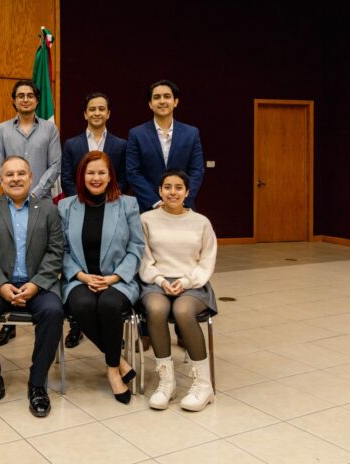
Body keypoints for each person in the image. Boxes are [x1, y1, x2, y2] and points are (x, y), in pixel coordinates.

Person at [0, 156, 64, 418]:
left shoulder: (48, 209)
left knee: (54, 311)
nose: (15, 179)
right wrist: (0, 285)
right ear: (0, 180)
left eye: (21, 173)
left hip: (38, 284)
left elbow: (56, 251)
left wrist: (36, 284)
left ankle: (37, 384)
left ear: (31, 177)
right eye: (9, 174)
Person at [59, 151, 144, 404]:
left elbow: (137, 247)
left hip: (118, 279)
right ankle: (120, 361)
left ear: (110, 177)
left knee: (108, 304)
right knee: (82, 305)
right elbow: (61, 249)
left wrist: (114, 278)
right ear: (81, 176)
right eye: (90, 173)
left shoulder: (128, 204)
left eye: (101, 172)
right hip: (79, 277)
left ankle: (112, 370)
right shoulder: (66, 206)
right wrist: (82, 277)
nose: (95, 178)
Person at [139, 170, 218, 412]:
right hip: (156, 281)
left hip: (193, 283)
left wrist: (185, 282)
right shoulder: (146, 219)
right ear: (160, 190)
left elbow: (207, 260)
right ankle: (167, 383)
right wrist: (160, 280)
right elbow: (144, 258)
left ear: (187, 192)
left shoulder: (201, 222)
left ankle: (204, 386)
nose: (172, 192)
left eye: (178, 188)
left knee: (183, 311)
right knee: (156, 309)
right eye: (167, 187)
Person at [0, 79, 62, 346]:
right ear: (14, 100)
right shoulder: (1, 130)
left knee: (37, 254)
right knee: (12, 253)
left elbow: (55, 164)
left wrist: (33, 192)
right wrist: (14, 189)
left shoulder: (49, 129)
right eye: (20, 95)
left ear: (36, 99)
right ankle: (9, 321)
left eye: (30, 95)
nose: (25, 99)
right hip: (9, 203)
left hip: (41, 203)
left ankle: (38, 304)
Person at [61, 92, 128, 348]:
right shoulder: (72, 144)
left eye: (101, 108)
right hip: (79, 206)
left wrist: (110, 200)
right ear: (85, 113)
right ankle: (78, 326)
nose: (97, 112)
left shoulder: (120, 144)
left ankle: (109, 331)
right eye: (92, 109)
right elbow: (67, 176)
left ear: (108, 113)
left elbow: (123, 176)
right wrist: (80, 201)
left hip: (111, 206)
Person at [126, 80, 205, 213]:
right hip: (148, 208)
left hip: (183, 208)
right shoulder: (136, 134)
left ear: (176, 102)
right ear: (150, 104)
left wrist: (180, 200)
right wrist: (156, 202)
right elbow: (133, 172)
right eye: (157, 97)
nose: (162, 101)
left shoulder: (191, 133)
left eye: (167, 96)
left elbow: (197, 171)